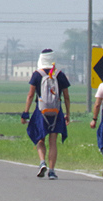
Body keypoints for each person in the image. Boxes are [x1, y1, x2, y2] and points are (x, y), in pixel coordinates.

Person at [21, 49, 71, 179]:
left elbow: (31, 94)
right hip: (56, 111)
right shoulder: (60, 75)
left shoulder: (37, 74)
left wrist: (25, 112)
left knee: (40, 138)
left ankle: (42, 162)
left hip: (41, 110)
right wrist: (68, 114)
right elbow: (66, 97)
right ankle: (52, 171)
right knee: (53, 141)